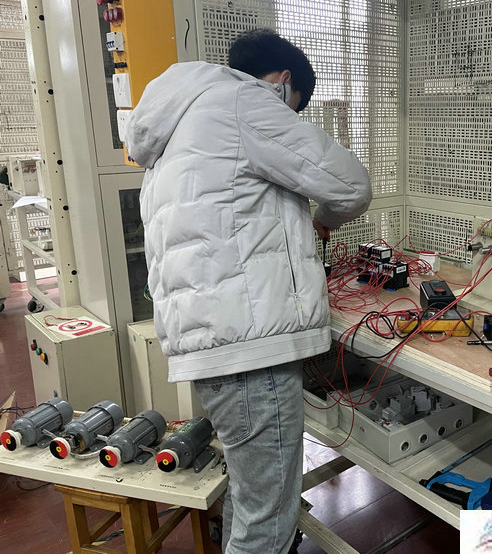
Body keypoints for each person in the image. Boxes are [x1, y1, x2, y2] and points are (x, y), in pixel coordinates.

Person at [125, 29, 372, 554]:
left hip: (210, 341)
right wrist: (324, 221)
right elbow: (351, 185)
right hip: (249, 348)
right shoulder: (245, 103)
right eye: (295, 106)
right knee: (269, 520)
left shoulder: (179, 120)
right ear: (283, 82)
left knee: (251, 493)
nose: (291, 116)